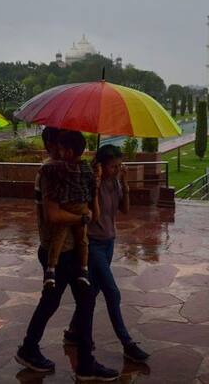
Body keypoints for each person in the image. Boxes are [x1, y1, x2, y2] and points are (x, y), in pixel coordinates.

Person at [16, 129, 118, 381]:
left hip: (72, 249)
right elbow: (53, 215)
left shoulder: (71, 171)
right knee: (63, 300)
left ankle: (82, 361)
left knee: (82, 299)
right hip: (57, 250)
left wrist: (92, 184)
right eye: (59, 145)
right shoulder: (50, 172)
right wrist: (81, 218)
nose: (63, 150)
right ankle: (36, 350)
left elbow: (90, 207)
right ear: (52, 145)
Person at [65, 145, 150, 363]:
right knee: (112, 292)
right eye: (114, 166)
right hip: (93, 244)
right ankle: (127, 343)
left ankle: (74, 332)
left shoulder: (115, 182)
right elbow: (93, 217)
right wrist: (96, 184)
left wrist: (125, 184)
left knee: (92, 292)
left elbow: (125, 210)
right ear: (101, 165)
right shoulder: (91, 183)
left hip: (109, 242)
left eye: (120, 166)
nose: (117, 170)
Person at [43, 131, 100, 289]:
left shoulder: (61, 167)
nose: (59, 152)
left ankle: (50, 270)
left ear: (68, 152)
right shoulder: (87, 169)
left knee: (58, 237)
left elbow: (46, 170)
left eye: (61, 149)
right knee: (82, 240)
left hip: (67, 206)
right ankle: (84, 270)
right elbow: (92, 188)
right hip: (82, 208)